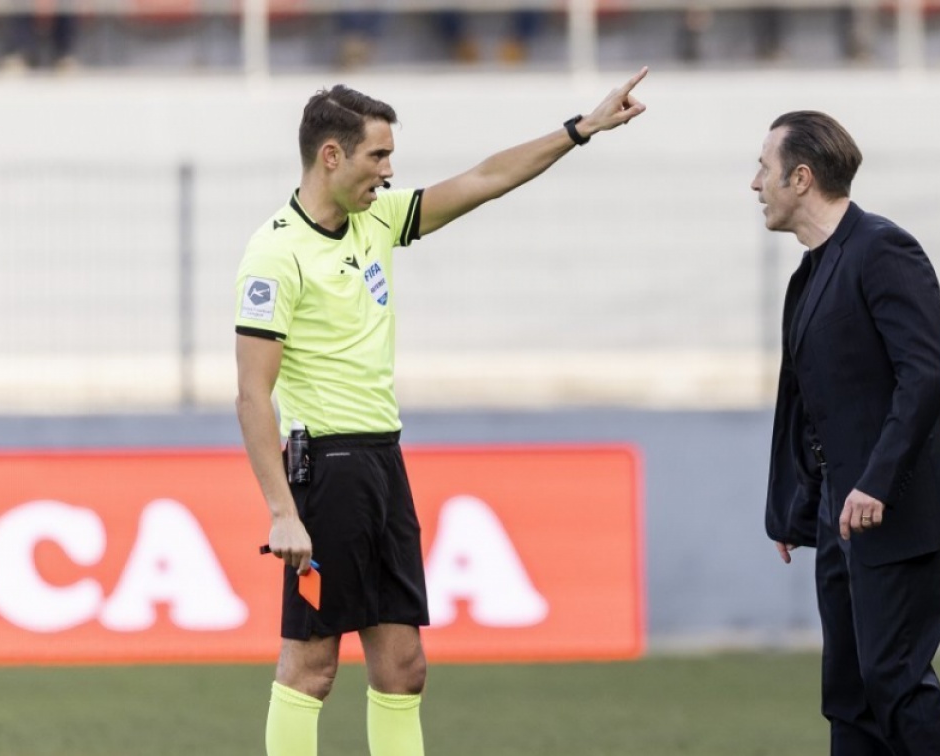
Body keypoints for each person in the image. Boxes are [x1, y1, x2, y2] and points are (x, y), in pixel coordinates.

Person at [234, 69, 648, 756]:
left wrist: (581, 129)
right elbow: (252, 394)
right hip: (325, 473)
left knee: (404, 668)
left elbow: (486, 178)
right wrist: (282, 511)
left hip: (382, 464)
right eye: (378, 155)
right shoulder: (274, 255)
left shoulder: (377, 220)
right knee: (312, 668)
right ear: (331, 155)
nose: (389, 171)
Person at [757, 111, 940, 755]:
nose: (755, 185)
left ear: (801, 177)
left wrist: (877, 482)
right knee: (849, 696)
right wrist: (797, 505)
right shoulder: (808, 275)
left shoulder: (882, 248)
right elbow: (809, 404)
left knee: (894, 682)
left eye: (763, 169)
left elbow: (926, 371)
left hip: (891, 508)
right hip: (836, 513)